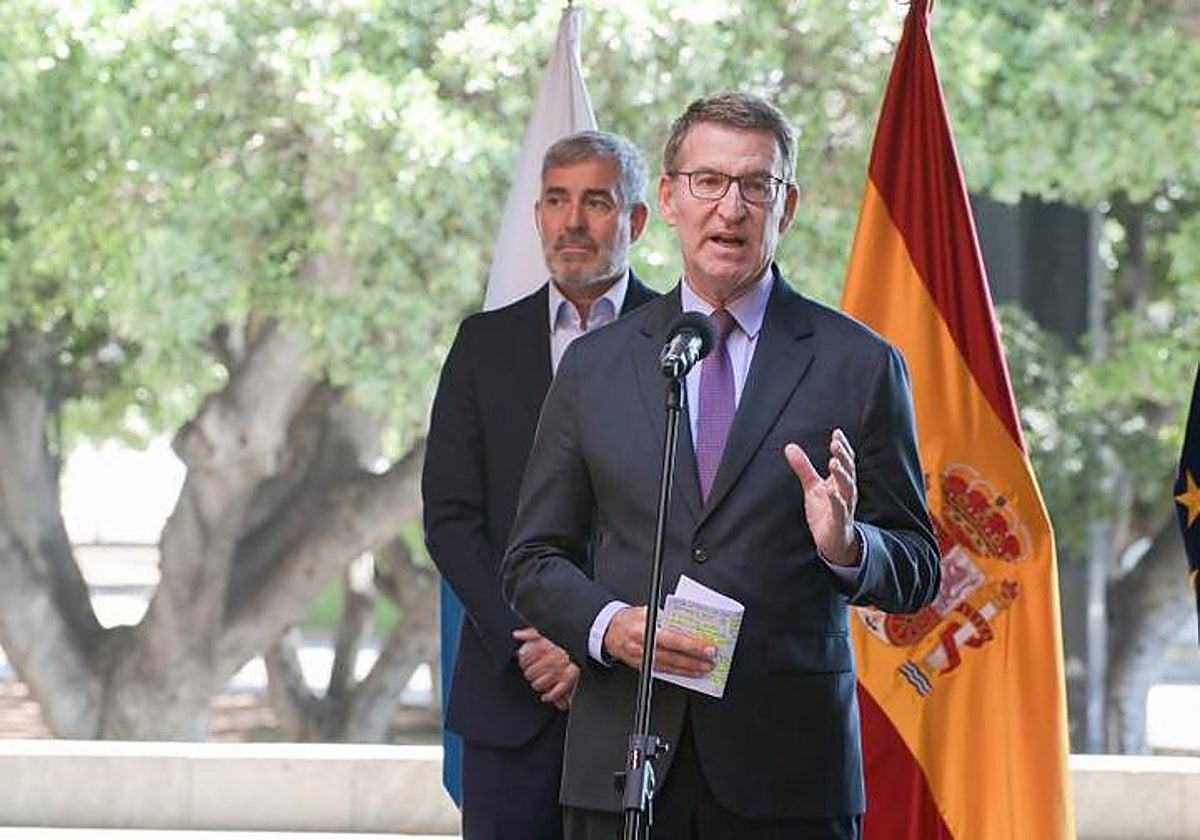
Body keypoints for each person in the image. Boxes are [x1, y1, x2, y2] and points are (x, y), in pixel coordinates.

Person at [501, 92, 942, 840]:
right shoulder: (595, 365)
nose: (730, 209)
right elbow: (532, 560)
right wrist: (610, 627)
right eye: (707, 182)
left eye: (755, 185)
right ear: (670, 199)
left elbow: (919, 567)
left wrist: (848, 546)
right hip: (625, 764)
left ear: (786, 206)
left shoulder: (859, 364)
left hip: (789, 775)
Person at [422, 130, 658, 840]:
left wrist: (595, 639)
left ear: (637, 219)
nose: (572, 221)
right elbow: (451, 519)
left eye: (596, 202)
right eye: (556, 200)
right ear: (537, 215)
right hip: (511, 689)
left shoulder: (683, 341)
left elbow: (690, 525)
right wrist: (534, 641)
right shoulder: (482, 345)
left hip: (639, 700)